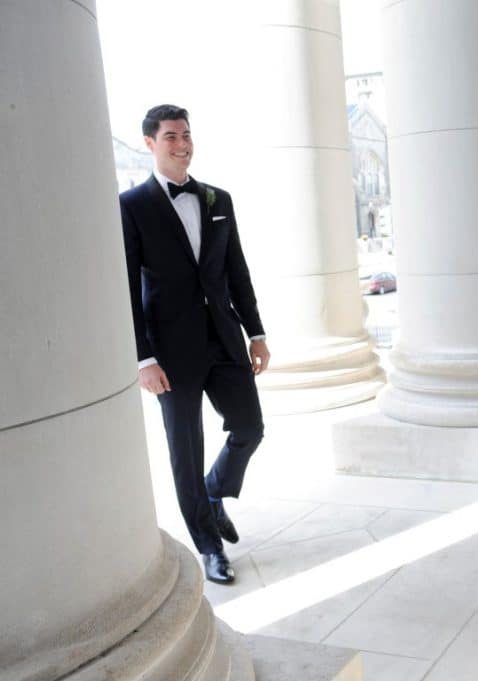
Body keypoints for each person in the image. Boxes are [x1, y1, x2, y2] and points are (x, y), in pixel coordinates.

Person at [120, 104, 269, 585]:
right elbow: (124, 285)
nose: (182, 144)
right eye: (170, 137)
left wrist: (256, 333)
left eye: (186, 135)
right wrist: (143, 358)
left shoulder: (217, 198)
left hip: (224, 340)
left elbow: (238, 272)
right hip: (170, 353)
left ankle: (215, 489)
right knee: (185, 451)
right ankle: (209, 547)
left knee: (249, 426)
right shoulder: (131, 206)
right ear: (149, 143)